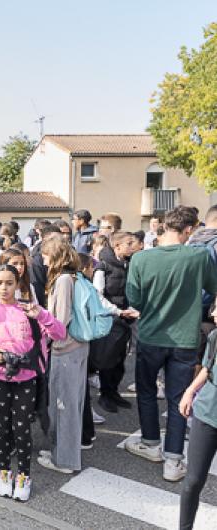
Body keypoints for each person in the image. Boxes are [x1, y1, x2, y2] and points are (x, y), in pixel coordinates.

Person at [125, 206, 217, 482]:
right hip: (185, 338)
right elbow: (214, 288)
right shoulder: (199, 256)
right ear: (189, 229)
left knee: (146, 390)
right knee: (179, 397)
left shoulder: (140, 259)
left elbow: (135, 300)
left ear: (164, 226)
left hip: (151, 334)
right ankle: (174, 460)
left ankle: (151, 444)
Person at [0, 264, 66, 502]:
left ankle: (24, 475)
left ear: (17, 285)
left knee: (22, 428)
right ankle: (5, 472)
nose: (4, 288)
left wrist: (43, 315)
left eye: (9, 283)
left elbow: (60, 333)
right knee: (2, 428)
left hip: (27, 378)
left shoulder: (29, 310)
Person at [36, 236, 89, 474]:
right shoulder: (75, 276)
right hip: (77, 346)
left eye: (46, 256)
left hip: (65, 348)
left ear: (55, 256)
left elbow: (61, 319)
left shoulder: (63, 280)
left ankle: (64, 460)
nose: (44, 262)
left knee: (63, 405)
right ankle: (63, 452)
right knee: (70, 403)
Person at [92, 231, 140, 413]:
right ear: (117, 246)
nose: (133, 246)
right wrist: (117, 311)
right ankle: (105, 395)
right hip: (110, 318)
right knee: (107, 358)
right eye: (129, 243)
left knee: (119, 360)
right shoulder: (103, 266)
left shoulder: (129, 263)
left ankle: (113, 392)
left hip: (125, 319)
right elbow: (98, 296)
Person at [178, 314, 217, 530]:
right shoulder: (214, 336)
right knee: (192, 481)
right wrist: (190, 391)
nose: (213, 313)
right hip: (206, 412)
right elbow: (207, 367)